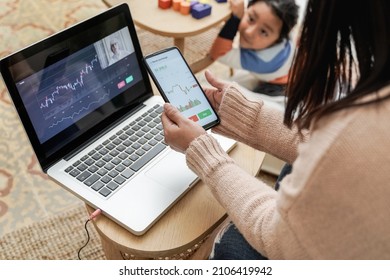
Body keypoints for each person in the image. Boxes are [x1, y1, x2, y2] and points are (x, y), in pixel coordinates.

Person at [161, 0, 390, 259]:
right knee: (294, 166)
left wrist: (205, 153)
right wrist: (242, 114)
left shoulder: (361, 122)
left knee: (229, 245)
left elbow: (279, 238)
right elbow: (332, 147)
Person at [209, 0, 299, 97]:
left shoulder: (261, 61)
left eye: (263, 32)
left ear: (278, 39)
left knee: (244, 98)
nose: (249, 32)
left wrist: (236, 18)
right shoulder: (281, 31)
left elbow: (218, 54)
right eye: (251, 19)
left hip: (282, 84)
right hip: (295, 64)